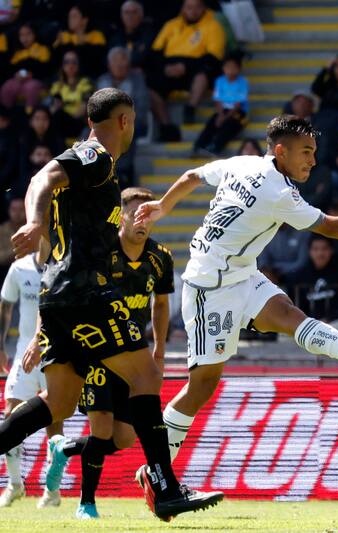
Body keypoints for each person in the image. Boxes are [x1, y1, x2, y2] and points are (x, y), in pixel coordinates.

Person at [4, 88, 222, 520]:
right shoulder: (96, 157)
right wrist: (33, 220)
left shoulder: (91, 164)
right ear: (126, 121)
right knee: (145, 374)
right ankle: (165, 488)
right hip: (87, 292)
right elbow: (40, 178)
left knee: (61, 403)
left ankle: (164, 488)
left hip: (58, 297)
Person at [135, 115, 338, 466]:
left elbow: (192, 176)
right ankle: (157, 468)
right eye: (306, 152)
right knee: (201, 386)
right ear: (280, 151)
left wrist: (163, 207)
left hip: (241, 273)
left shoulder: (241, 163)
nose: (313, 161)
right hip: (209, 287)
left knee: (288, 314)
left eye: (314, 152)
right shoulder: (278, 192)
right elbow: (328, 226)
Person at [44, 187, 173, 519]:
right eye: (134, 212)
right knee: (100, 429)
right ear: (121, 215)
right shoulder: (101, 252)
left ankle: (64, 449)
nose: (141, 219)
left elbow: (160, 304)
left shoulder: (161, 258)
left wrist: (159, 346)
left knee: (124, 438)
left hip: (134, 357)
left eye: (148, 213)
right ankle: (86, 502)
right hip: (99, 353)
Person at [0, 242, 64, 509]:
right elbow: (5, 307)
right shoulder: (20, 268)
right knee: (11, 414)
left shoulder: (65, 266)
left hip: (54, 354)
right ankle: (15, 484)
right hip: (24, 353)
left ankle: (52, 491)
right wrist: (0, 346)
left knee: (55, 423)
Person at [147, 0, 226, 141]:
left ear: (203, 8)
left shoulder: (213, 25)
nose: (193, 11)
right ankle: (166, 126)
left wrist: (186, 66)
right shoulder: (171, 25)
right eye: (189, 7)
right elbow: (155, 52)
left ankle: (190, 108)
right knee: (151, 86)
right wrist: (166, 67)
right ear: (183, 8)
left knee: (204, 74)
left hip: (196, 68)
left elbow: (214, 57)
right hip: (170, 68)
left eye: (197, 7)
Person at [285, 235, 338, 332]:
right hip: (307, 324)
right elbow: (296, 307)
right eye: (315, 249)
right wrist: (311, 322)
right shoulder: (299, 276)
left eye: (324, 249)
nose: (320, 253)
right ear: (309, 251)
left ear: (331, 250)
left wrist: (326, 320)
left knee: (330, 331)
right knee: (284, 335)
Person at [193, 52, 248, 156]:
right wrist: (220, 115)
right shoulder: (220, 81)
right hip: (222, 110)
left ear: (239, 69)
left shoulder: (242, 82)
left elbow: (238, 104)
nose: (230, 70)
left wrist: (225, 117)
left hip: (238, 112)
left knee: (230, 125)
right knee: (211, 122)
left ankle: (215, 147)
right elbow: (217, 100)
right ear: (223, 68)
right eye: (228, 67)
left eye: (234, 67)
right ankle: (198, 146)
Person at [0, 23, 51, 111]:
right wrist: (16, 75)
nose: (25, 38)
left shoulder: (42, 49)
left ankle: (30, 115)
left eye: (28, 34)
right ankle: (5, 117)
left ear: (34, 34)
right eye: (22, 35)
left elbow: (46, 69)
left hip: (36, 80)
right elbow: (11, 69)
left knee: (31, 87)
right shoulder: (18, 53)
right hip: (19, 81)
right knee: (6, 87)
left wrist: (32, 74)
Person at [52, 3, 107, 78]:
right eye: (69, 16)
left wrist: (83, 45)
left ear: (85, 20)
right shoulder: (64, 36)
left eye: (74, 16)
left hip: (90, 77)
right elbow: (54, 61)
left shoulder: (96, 36)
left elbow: (97, 63)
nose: (70, 20)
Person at [48, 50, 93, 139]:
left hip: (79, 123)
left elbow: (84, 109)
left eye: (74, 62)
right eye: (67, 62)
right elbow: (53, 109)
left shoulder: (85, 83)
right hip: (61, 123)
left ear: (79, 64)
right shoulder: (57, 86)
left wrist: (66, 113)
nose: (70, 65)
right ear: (62, 65)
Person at [108, 0, 155, 69]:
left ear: (141, 15)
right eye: (126, 12)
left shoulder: (150, 36)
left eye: (134, 12)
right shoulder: (114, 38)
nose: (130, 16)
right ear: (121, 15)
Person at [0, 199, 26, 282]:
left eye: (21, 209)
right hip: (5, 273)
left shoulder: (35, 230)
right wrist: (19, 249)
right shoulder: (2, 230)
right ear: (8, 210)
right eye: (14, 209)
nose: (17, 213)